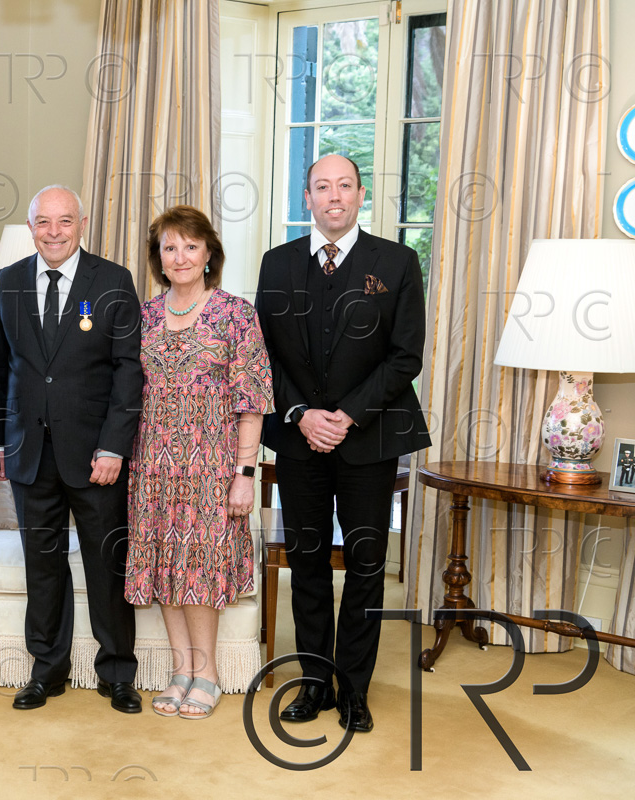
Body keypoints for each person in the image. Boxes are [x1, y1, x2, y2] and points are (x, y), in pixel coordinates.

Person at [255, 154, 431, 733]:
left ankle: (354, 689)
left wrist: (347, 415)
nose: (334, 196)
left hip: (370, 440)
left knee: (365, 564)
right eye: (322, 187)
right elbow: (264, 356)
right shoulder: (277, 263)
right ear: (307, 197)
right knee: (307, 563)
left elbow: (405, 355)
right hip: (298, 439)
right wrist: (303, 415)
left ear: (360, 194)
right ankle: (314, 682)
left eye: (345, 186)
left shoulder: (398, 262)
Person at [0, 185, 143, 713]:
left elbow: (129, 371)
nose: (53, 232)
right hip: (30, 451)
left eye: (64, 221)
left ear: (82, 224)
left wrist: (114, 447)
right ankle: (47, 670)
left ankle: (117, 672)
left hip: (96, 455)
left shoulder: (113, 281)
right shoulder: (9, 281)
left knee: (107, 564)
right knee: (43, 566)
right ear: (30, 227)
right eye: (43, 222)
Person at [125, 206, 273, 719]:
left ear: (209, 253)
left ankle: (207, 673)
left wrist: (244, 475)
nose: (180, 256)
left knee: (200, 567)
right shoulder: (143, 315)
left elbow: (253, 403)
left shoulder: (236, 313)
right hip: (152, 465)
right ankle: (180, 669)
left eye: (191, 246)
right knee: (165, 564)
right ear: (158, 258)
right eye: (170, 247)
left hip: (212, 467)